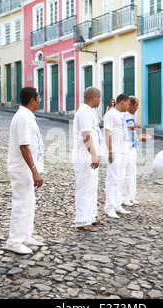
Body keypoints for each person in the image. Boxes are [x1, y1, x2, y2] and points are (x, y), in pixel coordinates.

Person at [5, 87, 45, 254]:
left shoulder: (27, 116)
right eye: (38, 97)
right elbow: (24, 146)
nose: (40, 100)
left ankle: (25, 236)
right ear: (32, 101)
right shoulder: (23, 117)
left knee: (29, 203)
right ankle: (14, 241)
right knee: (21, 204)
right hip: (22, 169)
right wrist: (34, 170)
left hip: (26, 169)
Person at [72, 87, 104, 232]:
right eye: (99, 98)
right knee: (84, 188)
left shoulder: (89, 111)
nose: (100, 101)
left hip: (89, 156)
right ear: (94, 97)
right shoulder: (85, 111)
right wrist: (93, 154)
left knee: (91, 187)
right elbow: (86, 135)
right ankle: (82, 221)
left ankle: (90, 217)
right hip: (84, 156)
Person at [104, 93, 131, 218]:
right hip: (115, 151)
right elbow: (107, 133)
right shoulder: (110, 114)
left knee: (120, 178)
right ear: (122, 102)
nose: (129, 106)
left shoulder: (122, 115)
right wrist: (110, 151)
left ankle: (117, 204)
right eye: (128, 104)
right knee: (113, 179)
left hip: (124, 150)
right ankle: (109, 207)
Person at [122, 96, 141, 206]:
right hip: (127, 148)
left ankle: (131, 197)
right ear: (130, 105)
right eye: (136, 105)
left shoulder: (129, 116)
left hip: (133, 147)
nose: (137, 108)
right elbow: (125, 130)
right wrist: (135, 128)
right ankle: (125, 197)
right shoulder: (125, 116)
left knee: (133, 172)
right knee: (128, 173)